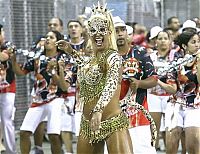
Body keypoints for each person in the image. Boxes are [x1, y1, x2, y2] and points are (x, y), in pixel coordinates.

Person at [56, 3, 133, 154]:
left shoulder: (113, 57)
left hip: (112, 122)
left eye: (102, 30)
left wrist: (98, 110)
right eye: (93, 30)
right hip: (88, 123)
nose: (97, 34)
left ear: (109, 32)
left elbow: (111, 84)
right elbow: (85, 65)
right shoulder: (92, 59)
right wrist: (71, 51)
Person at [9, 30, 72, 154]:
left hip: (56, 99)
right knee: (24, 132)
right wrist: (14, 60)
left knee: (53, 135)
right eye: (46, 37)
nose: (47, 39)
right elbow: (21, 72)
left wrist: (53, 70)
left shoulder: (63, 59)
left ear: (57, 42)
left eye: (51, 37)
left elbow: (64, 86)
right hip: (38, 100)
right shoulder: (37, 57)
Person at [113, 16, 158, 154]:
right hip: (111, 117)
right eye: (116, 30)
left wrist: (139, 83)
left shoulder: (140, 53)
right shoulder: (104, 56)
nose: (120, 33)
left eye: (122, 30)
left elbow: (154, 79)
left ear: (127, 33)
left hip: (137, 115)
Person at [165, 31, 200, 154]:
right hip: (176, 104)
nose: (197, 45)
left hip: (195, 105)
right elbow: (173, 88)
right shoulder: (177, 63)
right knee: (171, 143)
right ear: (185, 46)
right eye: (193, 42)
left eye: (198, 42)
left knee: (193, 144)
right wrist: (158, 82)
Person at [147, 30, 178, 151]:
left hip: (169, 96)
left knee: (169, 130)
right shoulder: (150, 56)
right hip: (153, 95)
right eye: (160, 38)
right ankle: (152, 151)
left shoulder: (175, 56)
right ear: (156, 41)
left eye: (165, 38)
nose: (163, 41)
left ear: (170, 41)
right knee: (154, 129)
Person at [0, 24, 17, 154]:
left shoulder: (8, 45)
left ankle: (12, 151)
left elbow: (5, 56)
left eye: (1, 32)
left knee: (7, 121)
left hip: (7, 89)